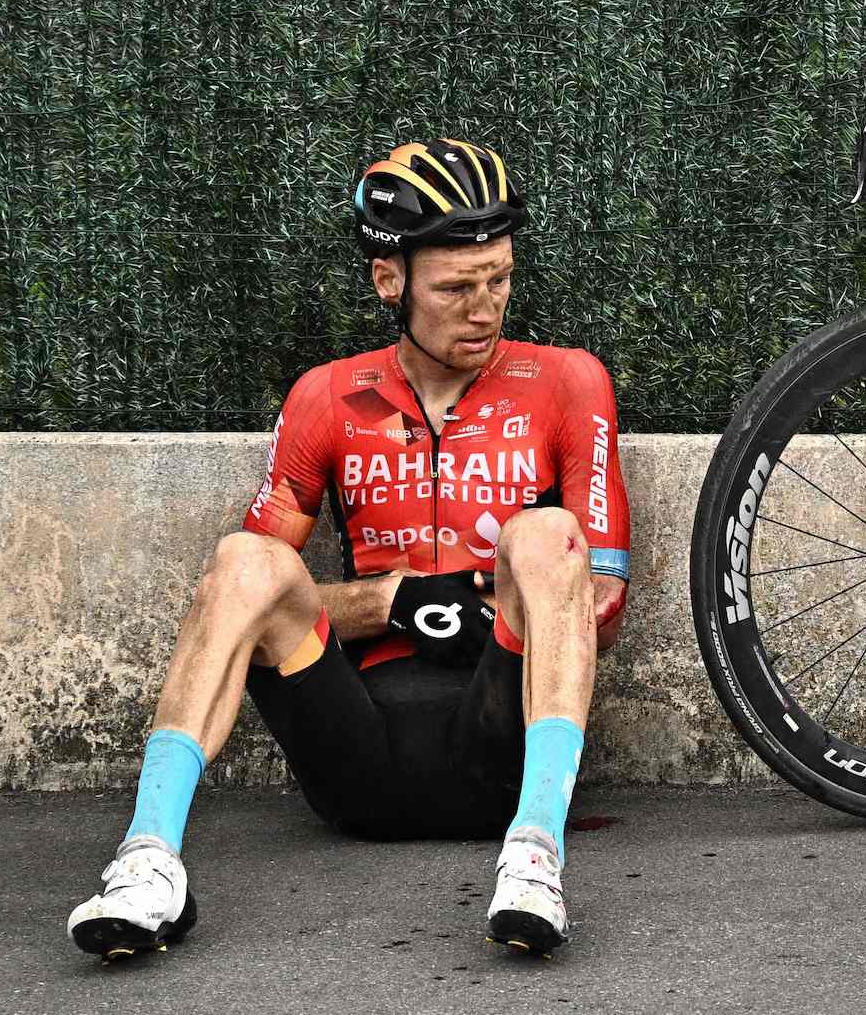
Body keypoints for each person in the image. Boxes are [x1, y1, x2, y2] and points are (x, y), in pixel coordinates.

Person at [67, 138, 629, 960]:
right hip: (356, 753)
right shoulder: (326, 396)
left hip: (499, 737)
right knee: (243, 557)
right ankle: (148, 860)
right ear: (389, 279)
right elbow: (249, 598)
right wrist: (390, 599)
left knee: (544, 534)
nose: (485, 308)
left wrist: (496, 598)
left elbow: (600, 605)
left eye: (500, 279)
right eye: (456, 287)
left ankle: (537, 855)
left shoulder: (568, 381)